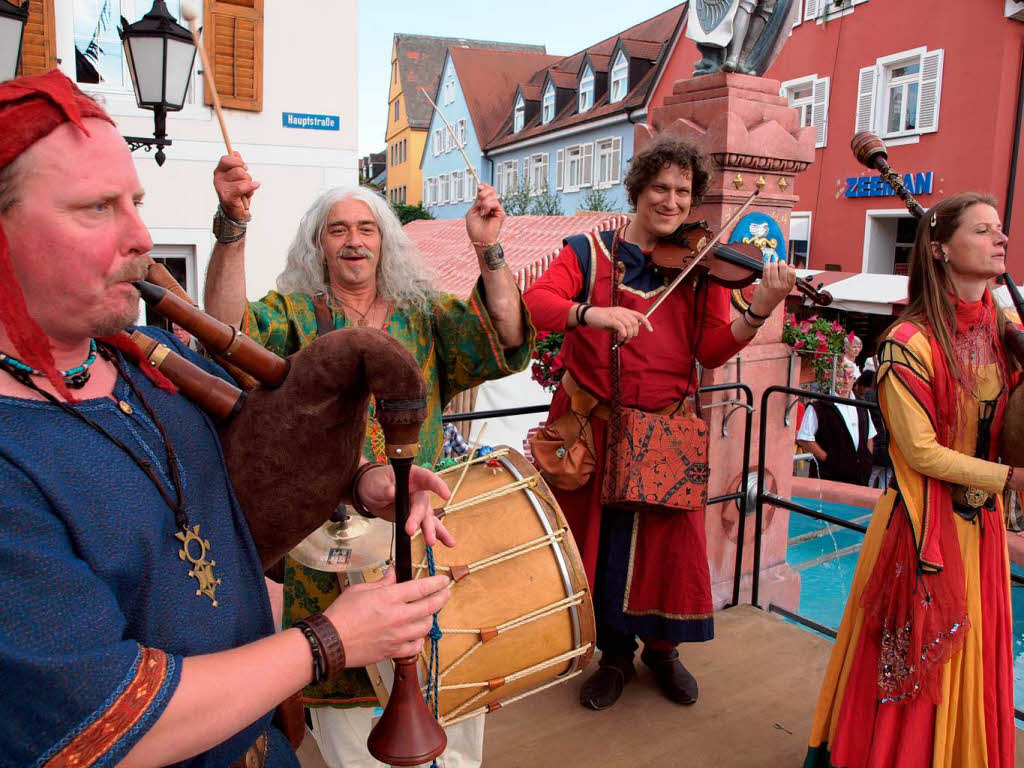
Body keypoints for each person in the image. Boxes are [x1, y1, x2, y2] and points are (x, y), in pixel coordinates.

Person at [0, 71, 453, 767]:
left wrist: (362, 484)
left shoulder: (148, 365)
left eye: (136, 202)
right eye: (95, 208)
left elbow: (260, 461)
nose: (140, 235)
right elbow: (109, 729)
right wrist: (331, 641)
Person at [203, 158, 532, 766]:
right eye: (337, 229)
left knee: (446, 685)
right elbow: (225, 335)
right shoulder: (293, 315)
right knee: (350, 714)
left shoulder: (425, 314)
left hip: (421, 528)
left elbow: (505, 337)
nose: (353, 240)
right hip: (323, 546)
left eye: (367, 228)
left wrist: (489, 250)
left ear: (385, 242)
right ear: (318, 245)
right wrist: (232, 223)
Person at [522, 135, 797, 711]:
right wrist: (593, 313)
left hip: (665, 431)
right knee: (601, 546)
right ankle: (614, 657)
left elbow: (714, 350)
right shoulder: (588, 252)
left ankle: (664, 653)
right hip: (593, 430)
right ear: (638, 190)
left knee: (667, 549)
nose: (671, 201)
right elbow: (538, 304)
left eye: (683, 191)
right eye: (660, 188)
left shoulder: (699, 266)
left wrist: (760, 308)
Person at [806, 192, 1024, 768]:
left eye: (1000, 229)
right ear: (940, 250)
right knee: (913, 664)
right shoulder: (908, 344)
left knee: (972, 658)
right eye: (983, 231)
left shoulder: (1008, 331)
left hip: (983, 526)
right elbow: (921, 452)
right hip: (922, 525)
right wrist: (1012, 478)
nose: (1000, 239)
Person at [796, 359, 876, 485]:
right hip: (829, 477)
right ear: (832, 378)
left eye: (850, 377)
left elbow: (869, 436)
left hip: (859, 477)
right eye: (841, 376)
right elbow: (804, 439)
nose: (846, 381)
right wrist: (829, 460)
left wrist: (867, 458)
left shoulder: (862, 405)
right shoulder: (819, 406)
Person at [854, 369, 894, 490]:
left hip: (875, 443)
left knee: (870, 478)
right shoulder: (893, 396)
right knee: (885, 480)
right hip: (890, 445)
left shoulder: (870, 395)